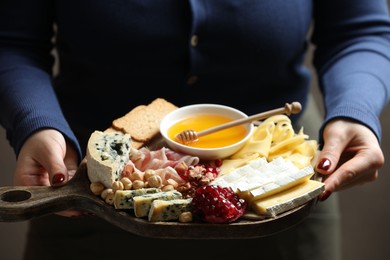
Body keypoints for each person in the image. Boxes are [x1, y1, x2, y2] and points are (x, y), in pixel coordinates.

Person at [1, 1, 390, 259]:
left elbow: (358, 29)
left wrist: (355, 111)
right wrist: (36, 125)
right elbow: (12, 40)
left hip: (283, 188)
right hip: (88, 183)